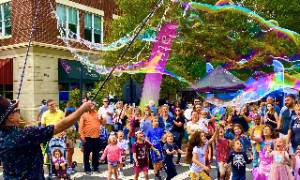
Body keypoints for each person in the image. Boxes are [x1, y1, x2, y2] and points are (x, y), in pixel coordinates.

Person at [0, 96, 92, 179]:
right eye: (17, 111)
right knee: (54, 159)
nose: (18, 112)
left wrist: (12, 107)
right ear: (10, 118)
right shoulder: (27, 134)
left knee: (59, 160)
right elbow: (60, 126)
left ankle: (58, 174)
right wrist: (82, 109)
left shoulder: (2, 136)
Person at [79, 102, 102, 174]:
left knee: (96, 153)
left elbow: (103, 123)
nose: (91, 106)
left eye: (93, 105)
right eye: (90, 105)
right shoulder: (84, 114)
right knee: (86, 154)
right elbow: (80, 127)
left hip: (96, 137)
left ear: (95, 106)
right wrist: (82, 136)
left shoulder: (98, 114)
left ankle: (95, 167)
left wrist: (102, 118)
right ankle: (87, 168)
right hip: (87, 137)